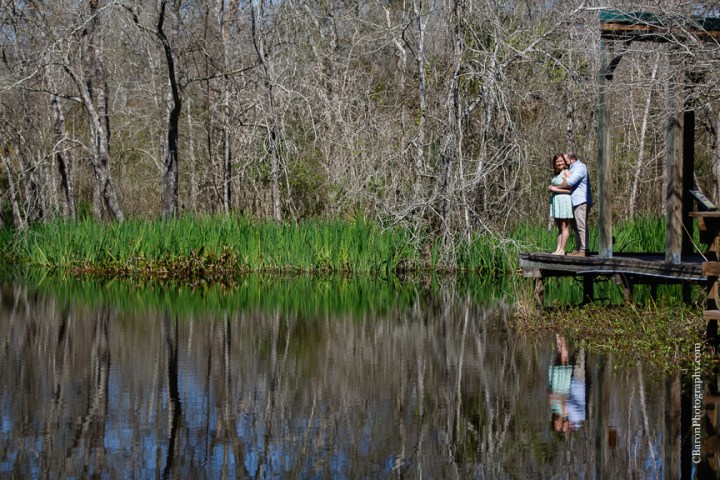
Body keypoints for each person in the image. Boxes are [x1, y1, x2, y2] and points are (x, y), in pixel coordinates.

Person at [548, 152, 592, 257]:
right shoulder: (572, 168)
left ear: (572, 159)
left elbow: (569, 182)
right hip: (573, 201)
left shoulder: (580, 167)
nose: (565, 163)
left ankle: (583, 250)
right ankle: (578, 249)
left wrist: (555, 188)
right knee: (575, 226)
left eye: (565, 160)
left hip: (581, 200)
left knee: (581, 226)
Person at [548, 154, 573, 255]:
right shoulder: (556, 174)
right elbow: (555, 187)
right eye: (557, 162)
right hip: (555, 201)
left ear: (565, 162)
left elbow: (570, 190)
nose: (559, 163)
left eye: (561, 161)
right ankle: (558, 249)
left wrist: (555, 189)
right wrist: (550, 188)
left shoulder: (566, 172)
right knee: (559, 227)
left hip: (563, 201)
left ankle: (562, 250)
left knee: (564, 226)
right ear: (554, 163)